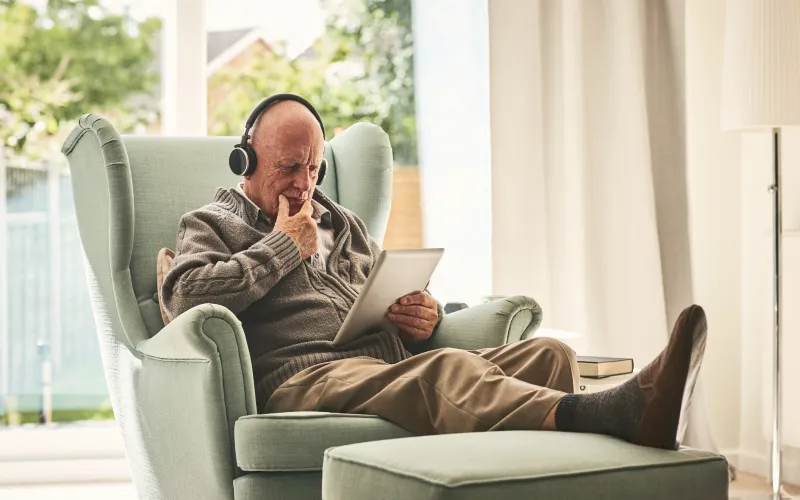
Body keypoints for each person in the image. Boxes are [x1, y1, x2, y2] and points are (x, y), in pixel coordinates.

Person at [160, 93, 708, 450]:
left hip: (382, 363)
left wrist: (419, 313)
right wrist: (282, 247)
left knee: (551, 354)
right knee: (444, 371)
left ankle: (580, 449)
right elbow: (185, 300)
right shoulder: (211, 223)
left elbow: (383, 289)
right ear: (246, 161)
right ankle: (625, 412)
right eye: (288, 168)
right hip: (303, 380)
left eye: (313, 167)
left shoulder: (340, 221)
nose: (304, 184)